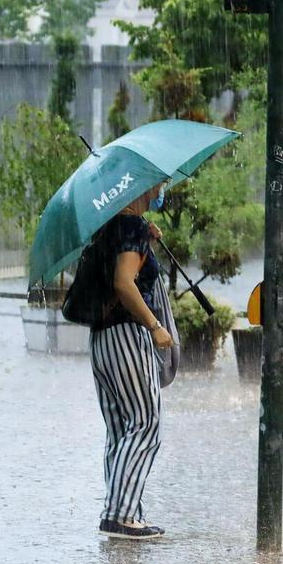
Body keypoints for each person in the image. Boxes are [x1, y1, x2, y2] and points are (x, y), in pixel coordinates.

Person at [89, 182, 174, 540]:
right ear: (144, 186)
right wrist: (154, 326)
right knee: (145, 422)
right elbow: (124, 283)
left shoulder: (107, 228)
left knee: (121, 429)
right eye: (160, 185)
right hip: (127, 337)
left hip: (102, 340)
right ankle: (119, 515)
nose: (162, 189)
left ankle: (126, 511)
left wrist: (146, 245)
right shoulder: (131, 228)